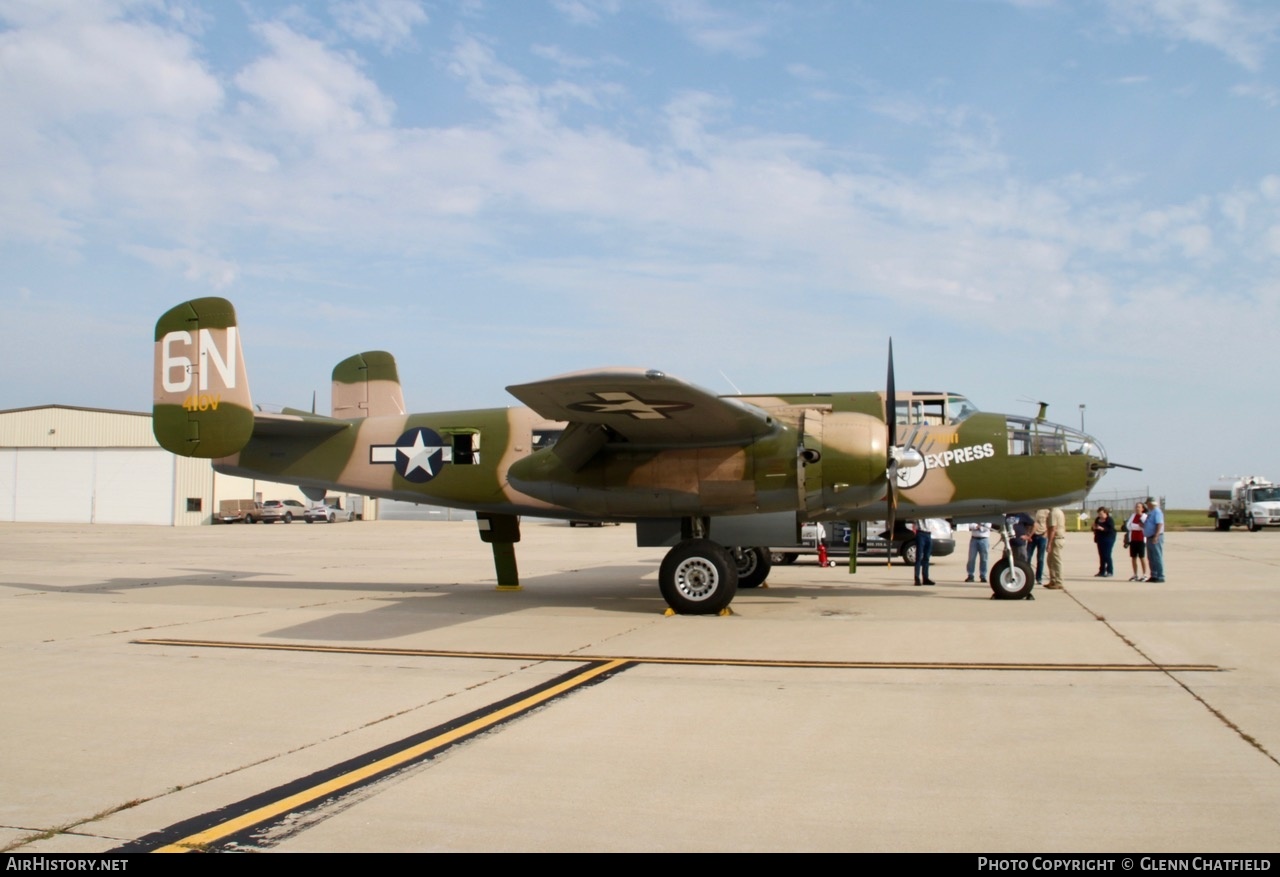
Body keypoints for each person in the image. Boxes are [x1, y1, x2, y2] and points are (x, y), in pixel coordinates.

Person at [1043, 506, 1067, 589]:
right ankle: (1053, 580)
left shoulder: (1053, 513)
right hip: (1057, 539)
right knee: (1050, 561)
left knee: (1056, 561)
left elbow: (1053, 528)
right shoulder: (1058, 511)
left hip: (1056, 539)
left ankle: (1059, 581)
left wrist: (1049, 543)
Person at [1143, 497, 1166, 583]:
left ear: (1151, 503)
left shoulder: (1157, 512)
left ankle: (1160, 576)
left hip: (1155, 536)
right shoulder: (1150, 512)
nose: (1147, 505)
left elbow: (1159, 524)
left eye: (1147, 503)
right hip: (1149, 536)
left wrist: (1156, 536)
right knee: (1151, 557)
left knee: (1157, 556)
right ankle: (1154, 574)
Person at [1125, 501, 1148, 581]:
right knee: (1133, 557)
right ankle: (1135, 574)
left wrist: (1134, 526)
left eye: (1139, 507)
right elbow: (1128, 526)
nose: (1137, 508)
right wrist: (1136, 526)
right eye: (1136, 507)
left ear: (1142, 508)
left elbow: (1143, 527)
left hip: (1141, 539)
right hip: (1133, 539)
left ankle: (1144, 574)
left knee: (1142, 557)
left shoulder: (1144, 517)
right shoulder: (1133, 515)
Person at [1092, 507, 1116, 577]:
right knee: (1101, 555)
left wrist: (1102, 529)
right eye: (1099, 514)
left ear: (1106, 513)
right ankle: (1102, 571)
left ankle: (1110, 571)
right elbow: (1094, 528)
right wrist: (1094, 527)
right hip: (1100, 538)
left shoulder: (1109, 520)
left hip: (1109, 538)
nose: (1100, 515)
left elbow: (1111, 530)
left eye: (1101, 514)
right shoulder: (1097, 519)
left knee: (1107, 555)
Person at [1029, 508, 1050, 584]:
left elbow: (1050, 524)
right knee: (1028, 557)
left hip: (1042, 536)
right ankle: (1028, 576)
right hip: (1032, 536)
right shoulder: (1031, 511)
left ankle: (1039, 577)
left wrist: (1046, 534)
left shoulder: (1046, 511)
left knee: (1040, 559)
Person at [913, 520, 935, 586]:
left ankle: (925, 578)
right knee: (919, 557)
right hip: (920, 533)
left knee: (927, 557)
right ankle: (917, 578)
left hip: (928, 533)